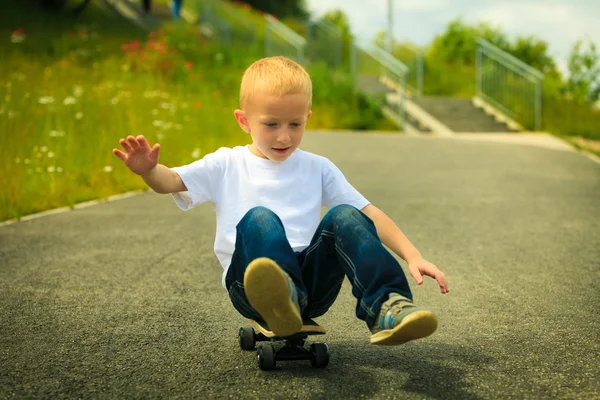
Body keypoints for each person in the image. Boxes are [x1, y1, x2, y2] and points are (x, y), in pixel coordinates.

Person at [112, 56, 449, 345]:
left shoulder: (318, 168)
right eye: (271, 124)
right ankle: (279, 295)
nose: (284, 136)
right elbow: (171, 181)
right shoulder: (227, 163)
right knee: (260, 217)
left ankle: (388, 306)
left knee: (346, 215)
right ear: (244, 121)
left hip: (310, 288)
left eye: (295, 124)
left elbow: (367, 213)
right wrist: (148, 171)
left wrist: (412, 254)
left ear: (307, 119)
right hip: (250, 284)